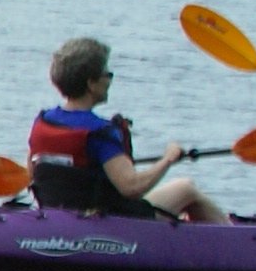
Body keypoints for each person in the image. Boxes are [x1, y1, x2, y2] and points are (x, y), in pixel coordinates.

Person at [26, 37, 218, 220]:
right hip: (111, 219)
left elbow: (33, 173)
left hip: (61, 213)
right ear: (91, 84)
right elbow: (131, 187)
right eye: (107, 74)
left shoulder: (43, 122)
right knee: (186, 188)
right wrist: (168, 159)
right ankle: (231, 237)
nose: (110, 80)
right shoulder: (100, 132)